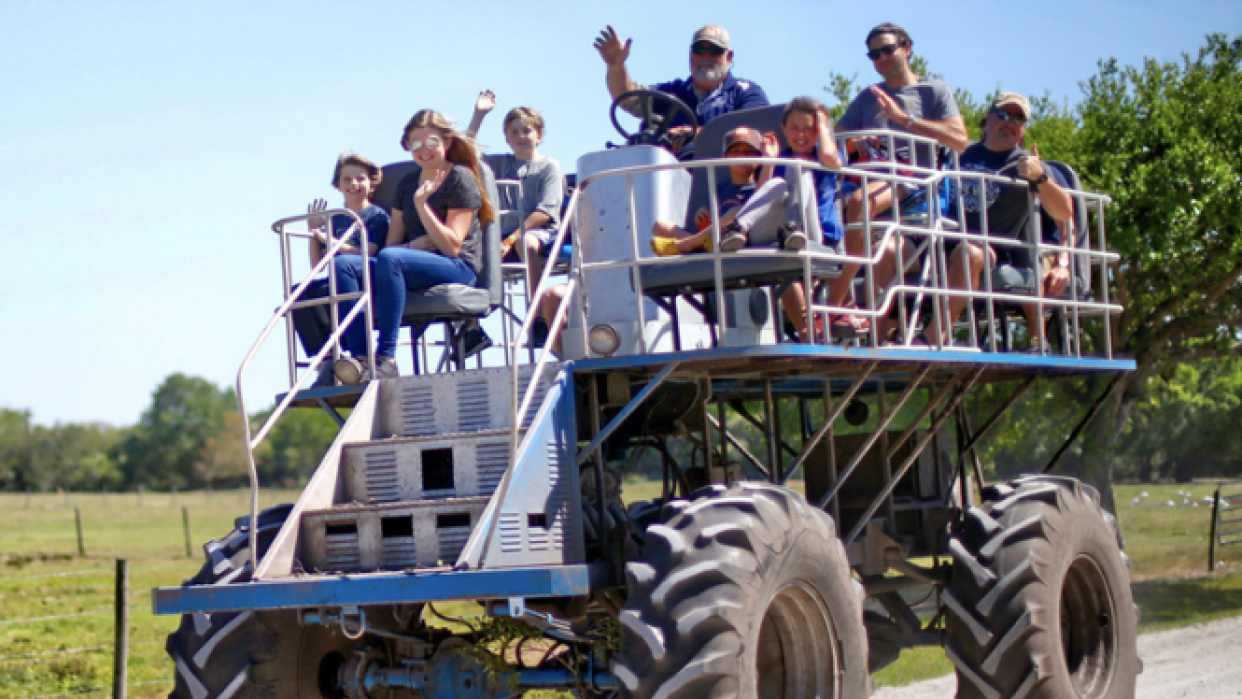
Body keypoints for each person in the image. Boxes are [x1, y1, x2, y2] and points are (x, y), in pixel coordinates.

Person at [830, 22, 969, 340]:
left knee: (858, 202)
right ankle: (858, 323)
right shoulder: (867, 97)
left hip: (911, 182)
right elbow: (836, 138)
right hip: (869, 177)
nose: (881, 59)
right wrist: (854, 141)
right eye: (874, 55)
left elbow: (960, 140)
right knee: (810, 208)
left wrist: (903, 120)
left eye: (888, 50)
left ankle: (834, 305)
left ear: (907, 48)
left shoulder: (934, 90)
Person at [333, 110, 495, 384]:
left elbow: (452, 246)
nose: (423, 150)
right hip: (410, 259)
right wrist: (413, 245)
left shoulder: (460, 178)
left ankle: (387, 358)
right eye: (415, 144)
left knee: (391, 259)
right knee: (343, 264)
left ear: (446, 142)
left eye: (431, 142)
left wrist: (423, 206)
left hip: (456, 266)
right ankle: (360, 359)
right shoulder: (408, 183)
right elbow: (394, 243)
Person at [939, 92, 1073, 352]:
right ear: (987, 119)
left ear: (1023, 129)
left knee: (980, 251)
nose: (1010, 122)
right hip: (945, 241)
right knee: (894, 244)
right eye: (1003, 114)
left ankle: (938, 335)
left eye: (1018, 118)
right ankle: (880, 333)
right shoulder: (958, 154)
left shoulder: (1030, 165)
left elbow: (1066, 215)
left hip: (1000, 251)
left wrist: (1041, 178)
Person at [714, 97, 845, 341]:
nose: (801, 134)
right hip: (782, 236)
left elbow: (829, 156)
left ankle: (791, 228)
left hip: (817, 235)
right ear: (784, 129)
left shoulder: (827, 155)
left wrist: (825, 127)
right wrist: (769, 162)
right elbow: (762, 197)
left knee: (800, 169)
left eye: (809, 128)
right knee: (777, 183)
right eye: (794, 128)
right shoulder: (780, 157)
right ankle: (739, 229)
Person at [465, 92, 566, 350]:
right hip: (502, 233)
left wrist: (512, 238)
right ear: (507, 138)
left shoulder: (549, 167)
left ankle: (537, 317)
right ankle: (472, 328)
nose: (521, 136)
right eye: (515, 132)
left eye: (527, 131)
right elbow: (465, 152)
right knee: (465, 250)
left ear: (539, 136)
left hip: (538, 231)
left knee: (527, 244)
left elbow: (545, 212)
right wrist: (479, 115)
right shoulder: (502, 166)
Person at [593, 24, 768, 158]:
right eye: (700, 50)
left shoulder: (746, 92)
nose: (706, 57)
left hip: (723, 185)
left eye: (714, 50)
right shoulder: (671, 92)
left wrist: (696, 134)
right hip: (667, 179)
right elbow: (628, 97)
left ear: (729, 57)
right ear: (690, 54)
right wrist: (616, 65)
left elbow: (757, 130)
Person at [290, 153, 390, 386]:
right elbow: (317, 266)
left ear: (371, 183)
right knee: (299, 292)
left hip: (367, 279)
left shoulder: (377, 216)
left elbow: (368, 253)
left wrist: (326, 237)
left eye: (360, 179)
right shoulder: (335, 220)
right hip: (337, 276)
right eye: (347, 179)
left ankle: (361, 357)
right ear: (338, 185)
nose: (354, 185)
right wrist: (314, 234)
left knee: (342, 278)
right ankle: (327, 360)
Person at [649, 125, 770, 255]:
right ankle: (699, 245)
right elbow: (713, 217)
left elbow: (762, 198)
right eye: (736, 151)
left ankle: (689, 244)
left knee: (735, 212)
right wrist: (703, 213)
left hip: (737, 238)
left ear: (759, 158)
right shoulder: (720, 189)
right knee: (659, 225)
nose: (742, 156)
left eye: (749, 152)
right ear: (726, 157)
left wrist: (769, 160)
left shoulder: (758, 187)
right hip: (711, 238)